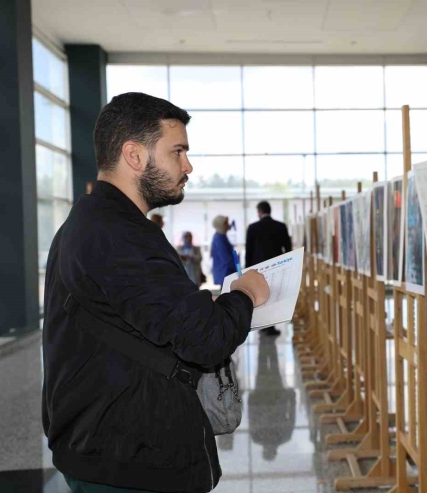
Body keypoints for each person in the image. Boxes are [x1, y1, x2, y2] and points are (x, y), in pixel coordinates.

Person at [42, 92, 269, 493]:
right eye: (177, 151)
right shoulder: (120, 233)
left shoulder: (94, 222)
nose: (188, 165)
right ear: (134, 155)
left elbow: (142, 314)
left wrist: (203, 305)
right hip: (129, 460)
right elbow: (204, 340)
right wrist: (245, 294)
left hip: (108, 447)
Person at [246, 201, 292, 336]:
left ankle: (262, 326)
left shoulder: (253, 228)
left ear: (260, 212)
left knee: (260, 298)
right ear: (269, 211)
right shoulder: (280, 226)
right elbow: (288, 249)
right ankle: (271, 327)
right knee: (273, 298)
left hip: (258, 270)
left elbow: (249, 251)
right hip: (277, 268)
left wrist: (247, 270)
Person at [248, 335, 295, 461]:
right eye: (269, 451)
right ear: (274, 451)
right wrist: (292, 398)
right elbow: (291, 416)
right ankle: (268, 340)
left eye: (266, 451)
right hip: (273, 397)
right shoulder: (281, 437)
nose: (268, 448)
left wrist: (250, 401)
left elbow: (252, 417)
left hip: (268, 397)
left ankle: (266, 340)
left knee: (265, 366)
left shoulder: (258, 437)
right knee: (268, 366)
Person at [210, 215, 237, 286]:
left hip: (226, 273)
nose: (228, 225)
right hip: (225, 273)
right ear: (220, 225)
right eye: (226, 223)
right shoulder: (219, 238)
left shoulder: (221, 236)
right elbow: (227, 258)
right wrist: (238, 269)